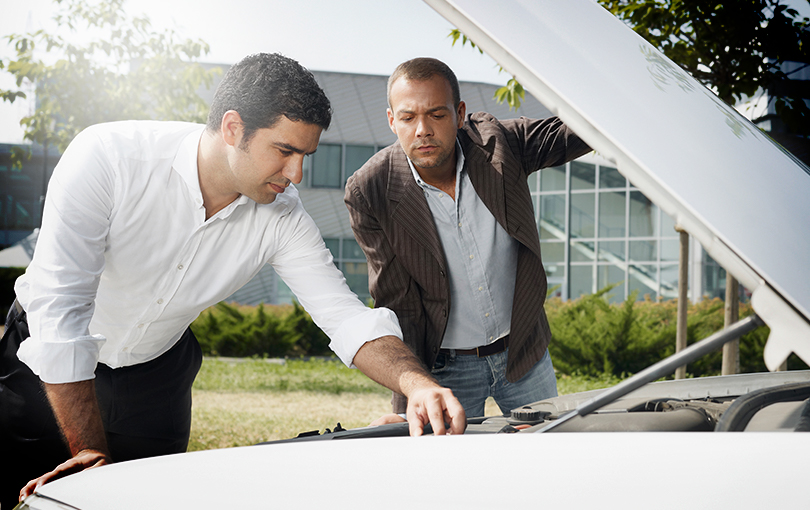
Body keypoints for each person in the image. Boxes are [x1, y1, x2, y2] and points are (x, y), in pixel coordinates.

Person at [1, 53, 465, 508]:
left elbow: (343, 317)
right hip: (43, 367)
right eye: (284, 151)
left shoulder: (283, 215)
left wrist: (416, 383)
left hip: (157, 377)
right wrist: (87, 447)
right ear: (232, 128)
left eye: (305, 155)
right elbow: (62, 314)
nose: (296, 173)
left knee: (146, 503)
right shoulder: (107, 157)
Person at [344, 57, 590, 420]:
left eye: (437, 115)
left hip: (523, 352)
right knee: (448, 474)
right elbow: (397, 302)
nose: (423, 129)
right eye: (408, 117)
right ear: (392, 121)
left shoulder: (498, 142)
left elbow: (577, 132)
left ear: (459, 114)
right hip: (445, 370)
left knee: (542, 461)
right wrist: (410, 393)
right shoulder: (370, 190)